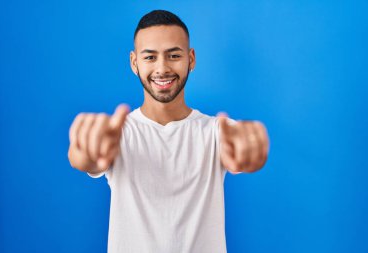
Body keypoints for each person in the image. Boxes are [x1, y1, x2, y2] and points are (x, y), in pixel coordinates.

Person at [68, 10, 269, 253]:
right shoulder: (116, 134)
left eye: (173, 55)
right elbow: (85, 159)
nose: (162, 68)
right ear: (134, 63)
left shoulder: (218, 132)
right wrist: (85, 152)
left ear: (191, 59)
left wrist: (250, 153)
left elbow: (243, 152)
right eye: (150, 57)